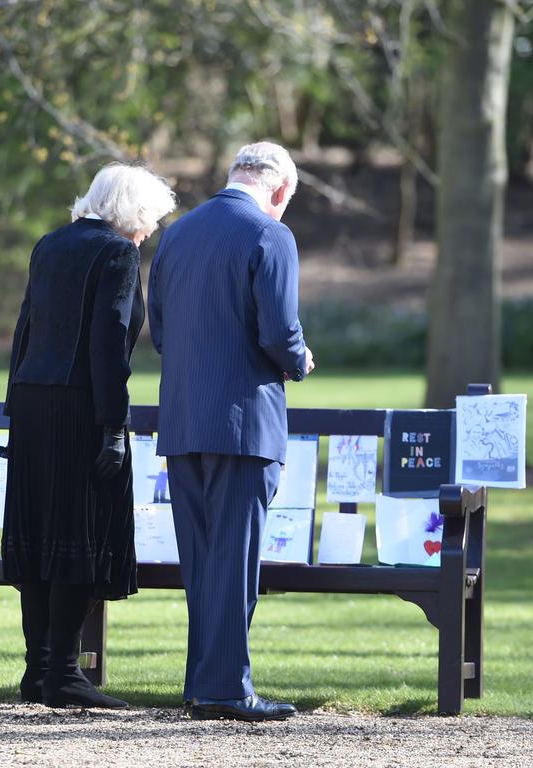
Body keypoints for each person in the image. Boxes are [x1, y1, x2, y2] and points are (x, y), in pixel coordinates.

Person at [148, 141, 314, 722]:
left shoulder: (178, 233)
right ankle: (224, 690)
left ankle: (206, 683)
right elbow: (277, 329)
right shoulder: (272, 235)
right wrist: (298, 360)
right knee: (235, 561)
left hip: (184, 417)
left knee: (202, 561)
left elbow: (160, 330)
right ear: (280, 190)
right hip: (244, 423)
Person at [2, 163, 176, 709]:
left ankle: (37, 671)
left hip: (33, 399)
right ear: (131, 212)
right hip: (82, 407)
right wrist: (113, 427)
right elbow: (108, 345)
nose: (149, 231)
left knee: (40, 535)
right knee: (81, 532)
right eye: (149, 218)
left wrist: (14, 407)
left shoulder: (49, 244)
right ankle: (65, 672)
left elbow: (24, 330)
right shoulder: (117, 253)